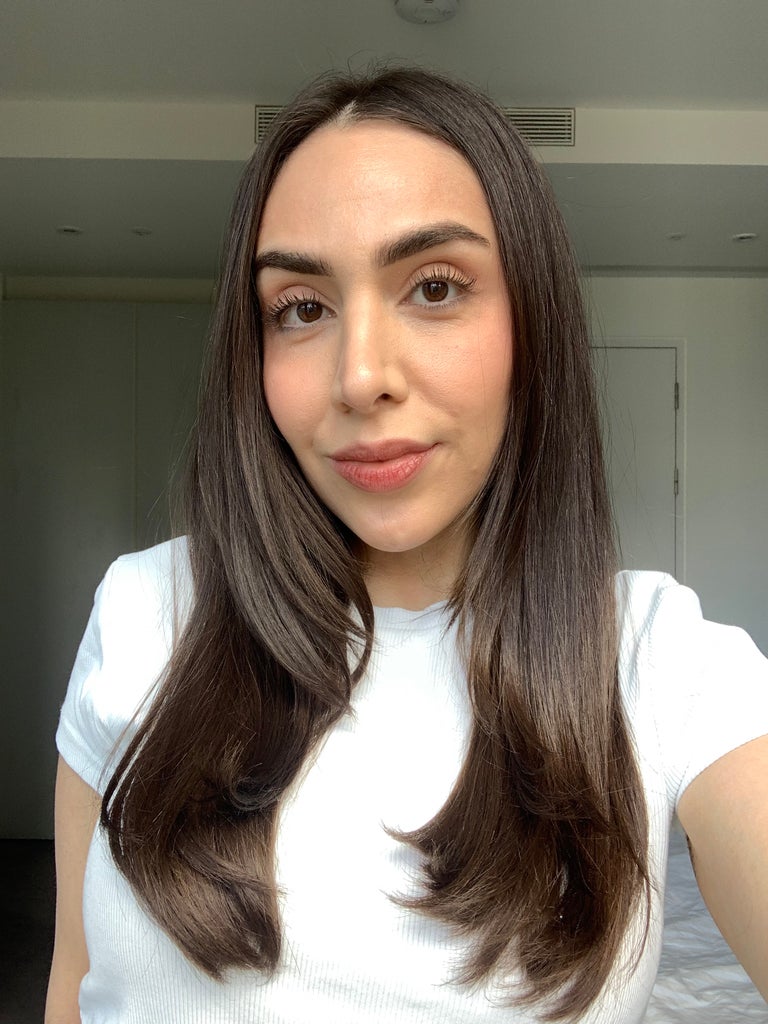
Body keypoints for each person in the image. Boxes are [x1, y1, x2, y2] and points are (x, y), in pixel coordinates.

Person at [46, 67, 768, 1024]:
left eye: (434, 287)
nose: (360, 377)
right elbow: (72, 985)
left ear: (531, 325)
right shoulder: (143, 611)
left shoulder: (661, 659)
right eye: (301, 308)